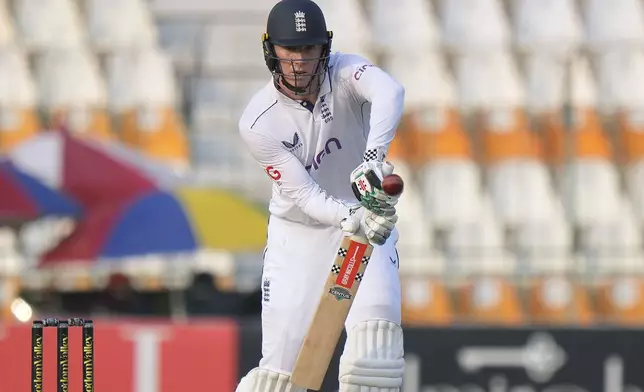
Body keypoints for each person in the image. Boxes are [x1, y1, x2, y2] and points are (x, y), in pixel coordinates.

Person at [236, 0, 406, 390]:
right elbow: (306, 195)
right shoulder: (258, 122)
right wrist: (351, 217)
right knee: (278, 378)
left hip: (368, 226)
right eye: (290, 50)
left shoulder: (345, 71)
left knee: (374, 358)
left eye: (309, 49)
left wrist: (372, 160)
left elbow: (390, 92)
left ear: (324, 49)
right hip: (298, 235)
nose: (299, 61)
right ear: (271, 50)